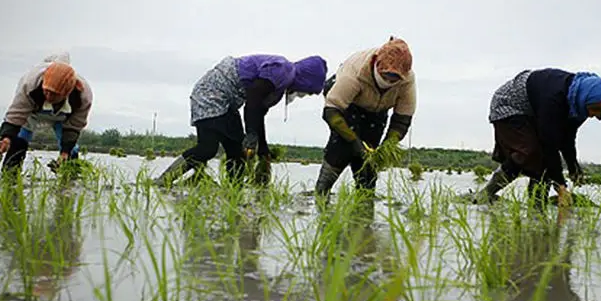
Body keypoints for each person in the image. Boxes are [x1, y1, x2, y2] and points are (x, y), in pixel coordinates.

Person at [153, 53, 328, 186]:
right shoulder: (284, 70)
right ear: (307, 80)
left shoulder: (279, 87)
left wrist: (263, 150)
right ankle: (163, 181)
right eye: (308, 90)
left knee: (236, 151)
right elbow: (252, 100)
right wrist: (251, 135)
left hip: (228, 102)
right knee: (207, 148)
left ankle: (232, 190)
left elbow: (257, 114)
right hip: (212, 93)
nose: (303, 94)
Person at [474, 68, 601, 207]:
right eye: (596, 109)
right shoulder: (554, 98)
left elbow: (567, 139)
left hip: (535, 110)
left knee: (543, 161)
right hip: (510, 105)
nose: (598, 116)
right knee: (529, 154)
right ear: (585, 97)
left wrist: (574, 168)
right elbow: (549, 144)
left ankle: (537, 209)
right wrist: (561, 186)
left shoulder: (578, 106)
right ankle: (485, 195)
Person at [314, 37, 417, 196]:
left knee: (368, 164)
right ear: (376, 63)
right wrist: (355, 142)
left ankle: (364, 205)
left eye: (394, 78)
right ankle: (321, 193)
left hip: (377, 110)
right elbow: (331, 111)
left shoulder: (407, 81)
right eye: (386, 76)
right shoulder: (354, 73)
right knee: (341, 148)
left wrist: (386, 147)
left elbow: (402, 120)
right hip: (345, 104)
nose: (389, 81)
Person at [0, 52, 93, 175]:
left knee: (71, 152)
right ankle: (10, 179)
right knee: (18, 141)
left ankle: (69, 182)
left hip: (64, 117)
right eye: (46, 91)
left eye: (54, 94)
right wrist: (6, 138)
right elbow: (15, 116)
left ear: (67, 92)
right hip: (32, 111)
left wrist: (65, 153)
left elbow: (73, 127)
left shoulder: (83, 97)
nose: (49, 97)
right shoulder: (29, 84)